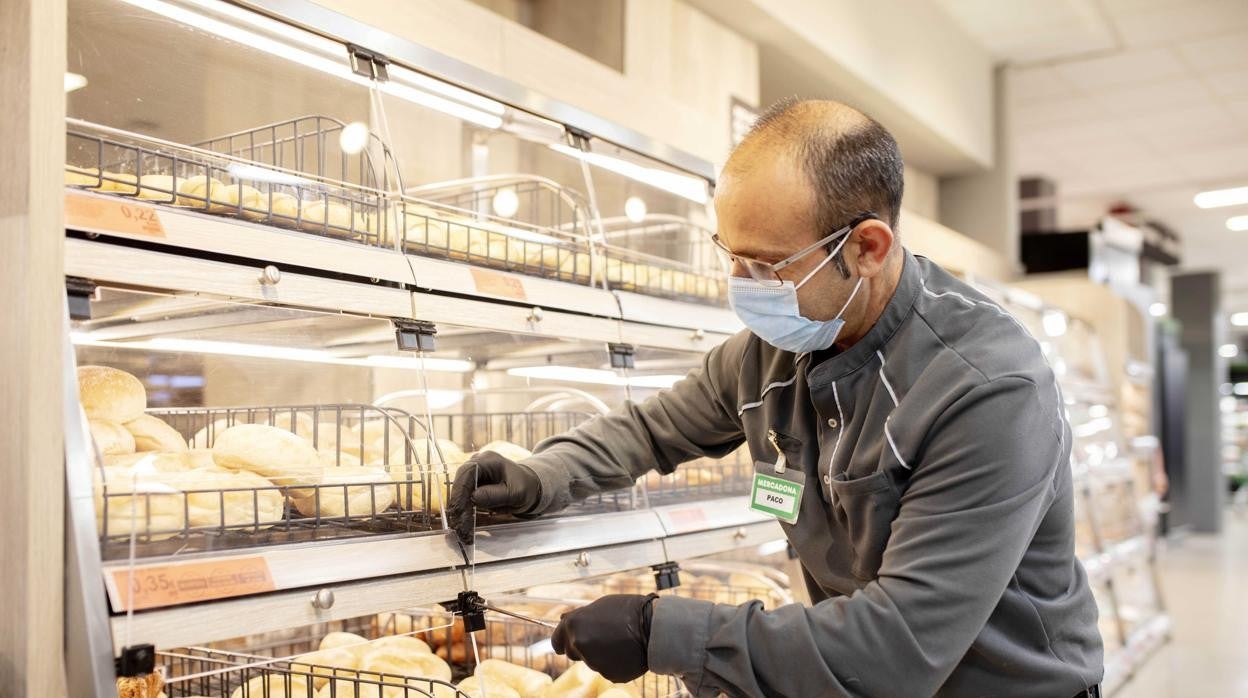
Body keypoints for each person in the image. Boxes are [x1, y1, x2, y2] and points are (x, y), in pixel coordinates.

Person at [447, 99, 1104, 698]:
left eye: (766, 265)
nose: (742, 286)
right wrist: (540, 473)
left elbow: (896, 649)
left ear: (867, 248)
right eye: (730, 256)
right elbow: (653, 428)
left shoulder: (986, 391)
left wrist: (660, 630)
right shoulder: (775, 351)